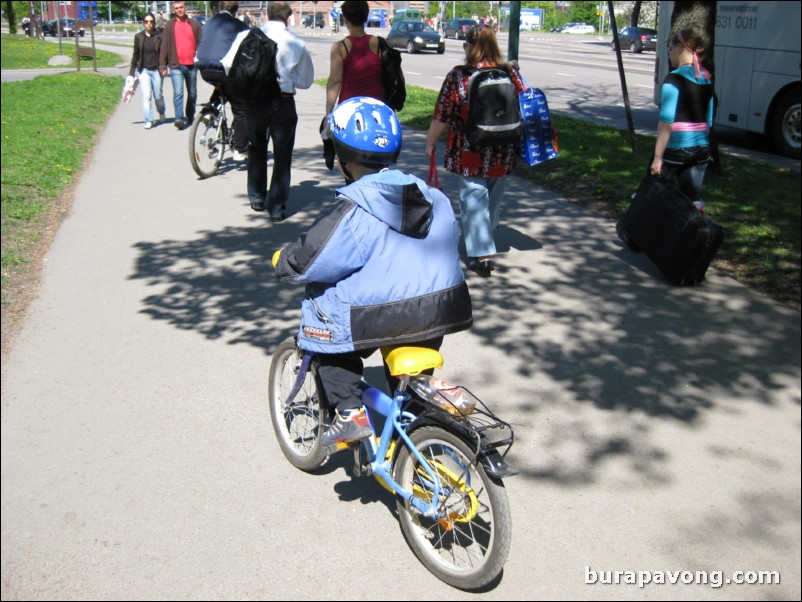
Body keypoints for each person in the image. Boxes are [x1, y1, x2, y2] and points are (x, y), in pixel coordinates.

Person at [273, 97, 473, 449]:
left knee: (327, 338)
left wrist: (285, 261)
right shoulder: (433, 196)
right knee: (410, 378)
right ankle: (416, 434)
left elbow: (315, 256)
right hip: (440, 307)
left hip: (377, 317)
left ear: (341, 158)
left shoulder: (354, 208)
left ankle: (349, 413)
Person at [424, 26, 525, 278]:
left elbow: (443, 114)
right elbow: (523, 101)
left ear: (470, 46)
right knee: (491, 200)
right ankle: (483, 241)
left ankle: (482, 255)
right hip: (503, 150)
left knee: (474, 202)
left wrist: (430, 141)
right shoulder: (509, 72)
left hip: (470, 149)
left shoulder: (460, 76)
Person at [223, 1, 314, 220]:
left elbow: (228, 64)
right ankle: (276, 207)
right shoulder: (296, 42)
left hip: (254, 102)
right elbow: (306, 81)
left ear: (266, 15)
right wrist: (287, 77)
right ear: (288, 18)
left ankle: (256, 196)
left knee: (256, 147)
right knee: (282, 155)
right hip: (282, 102)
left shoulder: (247, 37)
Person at [651, 29, 714, 213]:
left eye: (670, 48)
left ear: (680, 48)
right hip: (701, 148)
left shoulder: (673, 80)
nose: (669, 53)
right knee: (692, 197)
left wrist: (658, 157)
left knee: (655, 191)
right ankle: (695, 230)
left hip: (676, 148)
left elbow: (666, 122)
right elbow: (709, 120)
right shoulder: (707, 79)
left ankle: (649, 231)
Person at [324, 1, 385, 172]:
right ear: (366, 17)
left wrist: (328, 114)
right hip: (377, 108)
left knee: (350, 158)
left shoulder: (340, 47)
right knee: (376, 157)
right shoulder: (379, 43)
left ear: (345, 19)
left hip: (350, 110)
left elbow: (335, 81)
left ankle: (353, 191)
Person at [194, 1, 249, 160]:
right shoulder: (240, 26)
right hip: (223, 69)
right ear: (236, 10)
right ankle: (240, 149)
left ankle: (211, 109)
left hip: (203, 68)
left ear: (219, 7)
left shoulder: (210, 21)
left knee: (221, 86)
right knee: (240, 108)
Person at [159, 0, 203, 130]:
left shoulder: (194, 24)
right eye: (177, 8)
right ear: (173, 10)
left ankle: (190, 116)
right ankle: (179, 118)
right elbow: (164, 46)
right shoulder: (169, 26)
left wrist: (200, 59)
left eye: (181, 7)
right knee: (178, 93)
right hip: (175, 65)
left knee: (193, 93)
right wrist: (162, 65)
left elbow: (201, 43)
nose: (179, 10)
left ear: (185, 8)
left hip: (191, 65)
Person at [129, 13, 166, 130]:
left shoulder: (159, 36)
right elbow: (135, 54)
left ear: (154, 23)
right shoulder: (139, 37)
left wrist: (164, 66)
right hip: (143, 70)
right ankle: (148, 120)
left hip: (156, 70)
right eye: (146, 21)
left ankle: (161, 111)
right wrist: (131, 71)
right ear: (143, 23)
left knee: (158, 96)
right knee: (146, 96)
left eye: (151, 21)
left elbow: (164, 53)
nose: (149, 24)